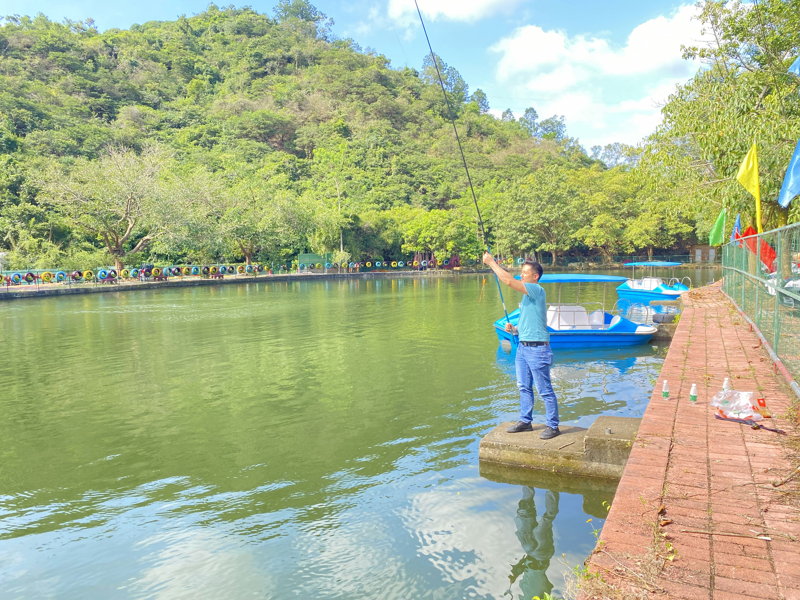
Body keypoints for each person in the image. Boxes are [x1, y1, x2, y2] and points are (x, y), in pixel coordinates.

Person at [482, 252, 560, 439]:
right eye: (521, 272)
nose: (522, 275)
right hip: (523, 347)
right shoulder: (527, 297)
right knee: (523, 386)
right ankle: (526, 421)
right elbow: (530, 322)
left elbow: (508, 281)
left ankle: (553, 425)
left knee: (544, 389)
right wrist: (515, 329)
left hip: (538, 349)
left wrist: (492, 263)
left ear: (535, 276)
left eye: (525, 273)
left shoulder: (536, 290)